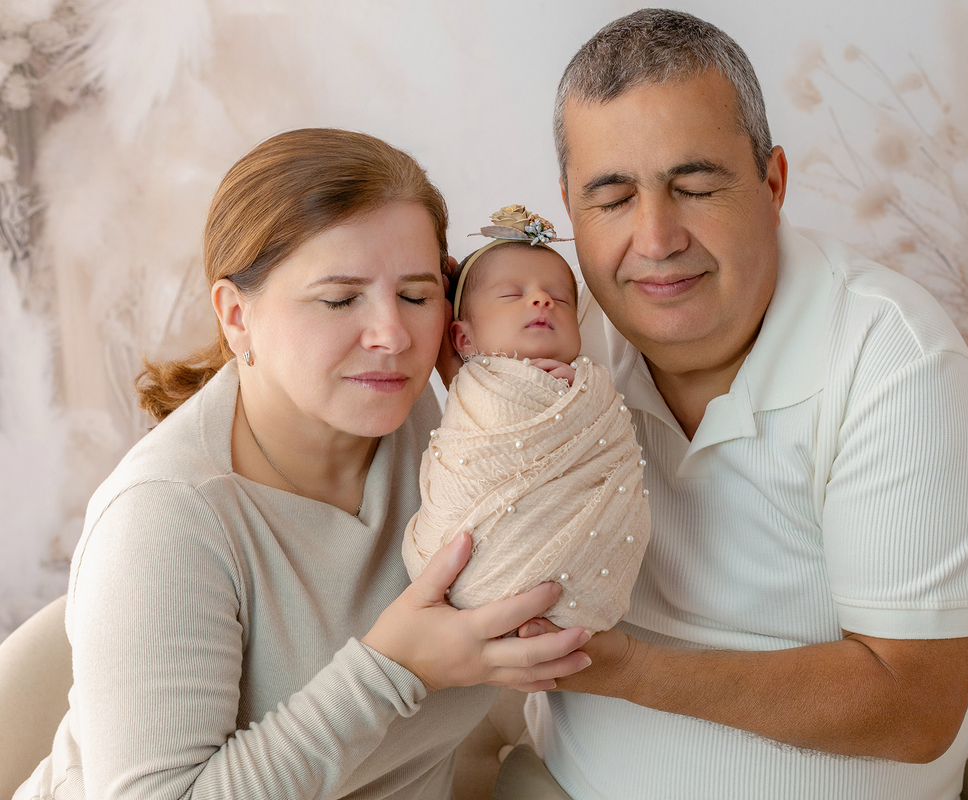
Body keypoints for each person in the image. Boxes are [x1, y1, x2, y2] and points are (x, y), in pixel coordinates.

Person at [14, 129, 592, 800]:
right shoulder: (163, 520)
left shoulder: (428, 430)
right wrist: (390, 670)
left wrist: (495, 390)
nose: (393, 336)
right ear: (236, 316)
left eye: (415, 295)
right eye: (340, 299)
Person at [519, 10, 968, 800]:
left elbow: (917, 705)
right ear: (569, 211)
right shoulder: (556, 350)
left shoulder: (892, 363)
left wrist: (624, 670)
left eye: (696, 185)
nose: (655, 237)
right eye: (612, 199)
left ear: (773, 184)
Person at [403, 206, 650, 635]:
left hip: (586, 563)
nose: (542, 300)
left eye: (561, 297)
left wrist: (588, 395)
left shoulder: (590, 389)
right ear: (462, 338)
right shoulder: (475, 388)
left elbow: (611, 444)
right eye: (512, 294)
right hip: (467, 564)